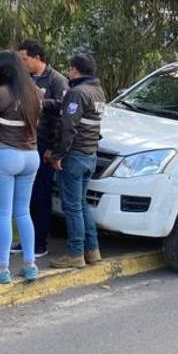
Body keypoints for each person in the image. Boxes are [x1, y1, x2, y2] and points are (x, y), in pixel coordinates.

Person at [0, 51, 43, 284]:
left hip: (3, 155)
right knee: (23, 212)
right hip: (31, 155)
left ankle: (3, 268)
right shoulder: (36, 93)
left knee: (3, 214)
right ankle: (30, 265)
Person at [50, 54, 106, 269]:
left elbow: (68, 128)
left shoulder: (76, 93)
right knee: (81, 204)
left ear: (74, 70)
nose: (68, 73)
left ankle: (75, 253)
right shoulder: (98, 92)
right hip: (90, 154)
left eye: (69, 69)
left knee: (72, 206)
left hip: (75, 156)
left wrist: (58, 155)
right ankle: (92, 250)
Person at [17, 40, 68, 258]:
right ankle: (25, 239)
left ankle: (40, 242)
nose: (22, 63)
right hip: (24, 143)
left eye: (25, 59)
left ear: (37, 58)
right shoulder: (25, 79)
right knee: (24, 195)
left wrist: (54, 149)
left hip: (44, 146)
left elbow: (64, 113)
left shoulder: (56, 80)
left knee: (41, 194)